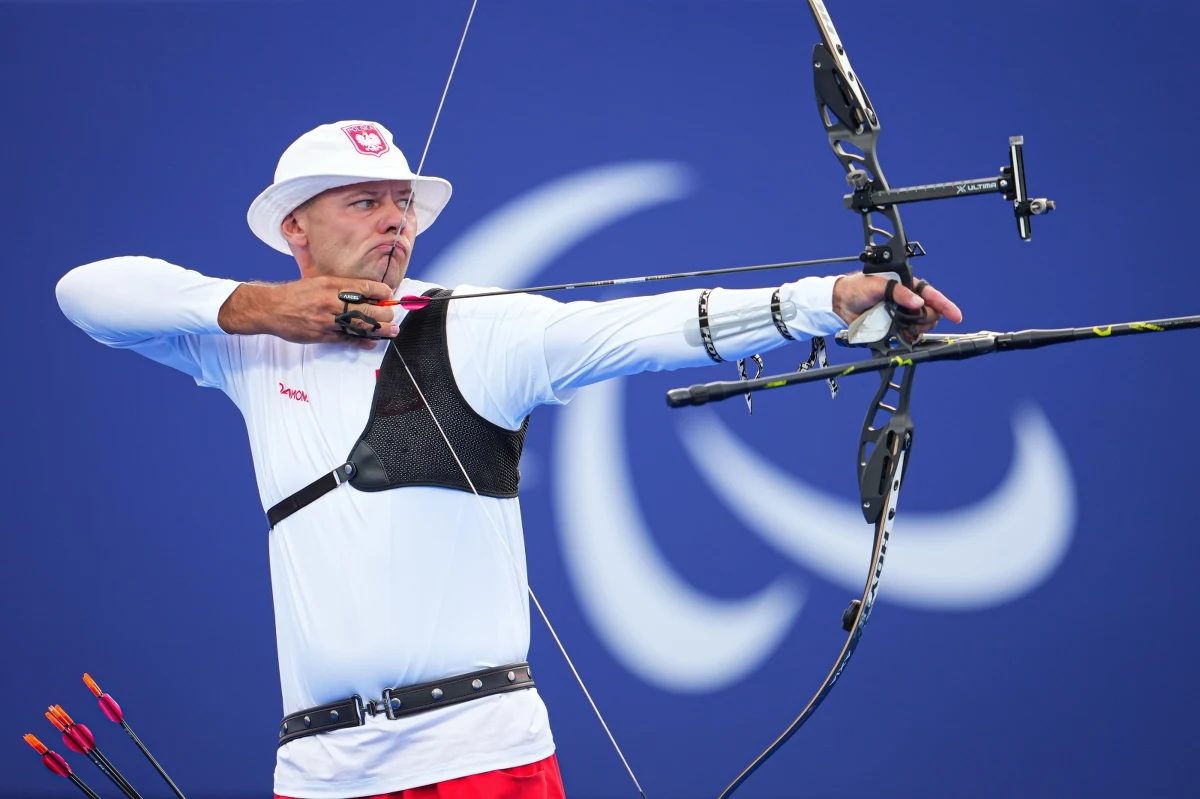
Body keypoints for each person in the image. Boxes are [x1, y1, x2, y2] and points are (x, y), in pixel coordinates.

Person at [55, 120, 962, 799]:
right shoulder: (247, 346)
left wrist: (825, 298)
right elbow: (85, 293)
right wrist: (262, 308)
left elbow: (646, 326)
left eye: (401, 202)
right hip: (322, 767)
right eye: (363, 201)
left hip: (480, 753)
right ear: (296, 228)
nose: (394, 222)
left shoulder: (477, 328)